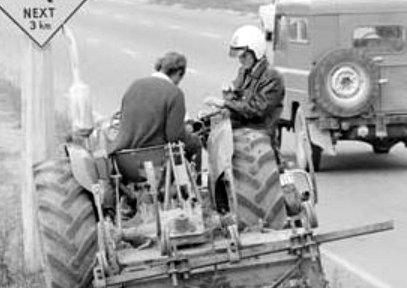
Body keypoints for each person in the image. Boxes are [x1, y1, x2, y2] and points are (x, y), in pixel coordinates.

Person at [111, 51, 201, 181]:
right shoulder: (174, 93)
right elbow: (175, 137)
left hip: (123, 162)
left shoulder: (134, 86)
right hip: (154, 163)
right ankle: (191, 189)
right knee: (194, 144)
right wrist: (190, 136)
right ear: (179, 73)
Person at [206, 25, 285, 162]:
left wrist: (225, 103)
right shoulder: (244, 71)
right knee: (204, 128)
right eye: (239, 56)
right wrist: (229, 95)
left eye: (244, 56)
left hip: (258, 132)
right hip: (241, 125)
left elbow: (256, 109)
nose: (241, 60)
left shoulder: (272, 77)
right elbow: (237, 97)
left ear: (256, 52)